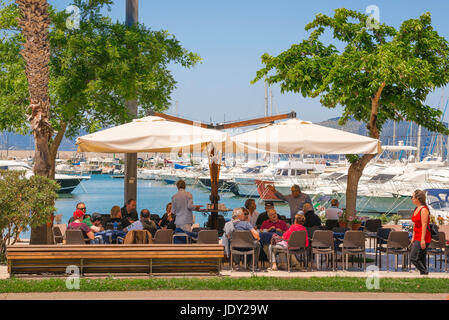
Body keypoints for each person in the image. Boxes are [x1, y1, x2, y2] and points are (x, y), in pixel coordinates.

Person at [410, 189, 431, 275]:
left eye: (412, 197)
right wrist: (413, 237)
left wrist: (422, 240)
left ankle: (424, 272)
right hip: (417, 236)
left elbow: (424, 225)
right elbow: (415, 224)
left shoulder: (424, 209)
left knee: (413, 257)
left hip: (424, 236)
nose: (411, 199)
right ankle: (424, 276)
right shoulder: (417, 208)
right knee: (421, 258)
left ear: (417, 198)